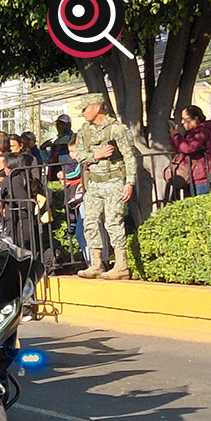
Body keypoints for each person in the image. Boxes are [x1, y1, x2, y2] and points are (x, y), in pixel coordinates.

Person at [72, 93, 138, 281]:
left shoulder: (117, 129)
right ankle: (96, 264)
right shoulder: (84, 131)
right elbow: (79, 156)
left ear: (97, 108)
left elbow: (129, 157)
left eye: (85, 109)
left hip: (114, 181)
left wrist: (129, 182)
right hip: (94, 183)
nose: (83, 113)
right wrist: (97, 155)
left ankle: (121, 265)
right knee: (90, 222)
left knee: (113, 222)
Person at [168, 105, 211, 196]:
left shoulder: (201, 132)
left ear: (196, 119)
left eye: (185, 119)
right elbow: (179, 148)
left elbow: (188, 148)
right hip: (190, 176)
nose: (182, 122)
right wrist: (174, 136)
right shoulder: (191, 133)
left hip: (201, 177)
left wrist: (176, 136)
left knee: (201, 203)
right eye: (182, 119)